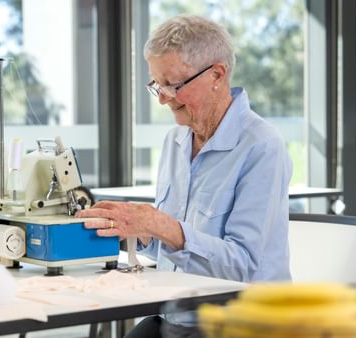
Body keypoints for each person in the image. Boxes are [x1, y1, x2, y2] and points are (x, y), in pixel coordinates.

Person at [76, 14, 293, 337]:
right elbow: (172, 250)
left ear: (217, 74)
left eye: (173, 85)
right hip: (177, 316)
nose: (162, 98)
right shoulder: (176, 141)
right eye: (156, 85)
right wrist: (137, 231)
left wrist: (160, 224)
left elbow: (241, 265)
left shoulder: (262, 146)